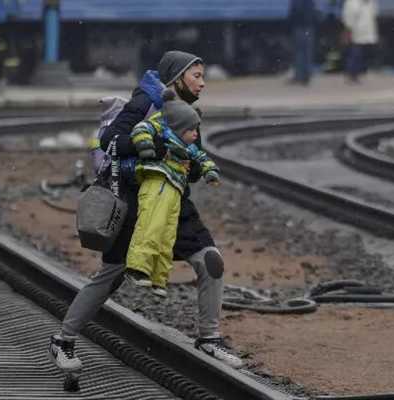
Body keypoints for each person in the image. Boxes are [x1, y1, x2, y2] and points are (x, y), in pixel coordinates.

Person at [49, 50, 244, 373]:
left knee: (211, 261)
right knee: (110, 276)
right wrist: (151, 147)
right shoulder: (144, 102)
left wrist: (196, 166)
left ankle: (209, 337)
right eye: (197, 76)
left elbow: (195, 158)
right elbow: (110, 140)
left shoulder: (190, 112)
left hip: (173, 201)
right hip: (135, 201)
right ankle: (63, 340)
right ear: (177, 77)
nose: (203, 83)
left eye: (203, 76)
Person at [125, 89, 220, 298]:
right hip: (159, 182)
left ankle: (159, 278)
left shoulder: (187, 147)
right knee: (151, 225)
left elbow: (202, 157)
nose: (196, 135)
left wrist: (210, 172)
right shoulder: (165, 133)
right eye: (192, 130)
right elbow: (141, 129)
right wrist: (146, 147)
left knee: (167, 237)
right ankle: (138, 266)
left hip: (175, 190)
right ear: (179, 128)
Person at [342, 0, 378, 83]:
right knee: (355, 54)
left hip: (367, 32)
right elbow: (348, 17)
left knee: (362, 54)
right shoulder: (352, 2)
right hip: (356, 32)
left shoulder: (370, 2)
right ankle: (351, 74)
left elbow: (374, 14)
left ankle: (356, 74)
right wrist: (348, 30)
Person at [288, 0, 317, 85]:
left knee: (299, 53)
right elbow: (314, 12)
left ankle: (299, 76)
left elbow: (292, 12)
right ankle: (306, 77)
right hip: (309, 27)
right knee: (308, 52)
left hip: (299, 27)